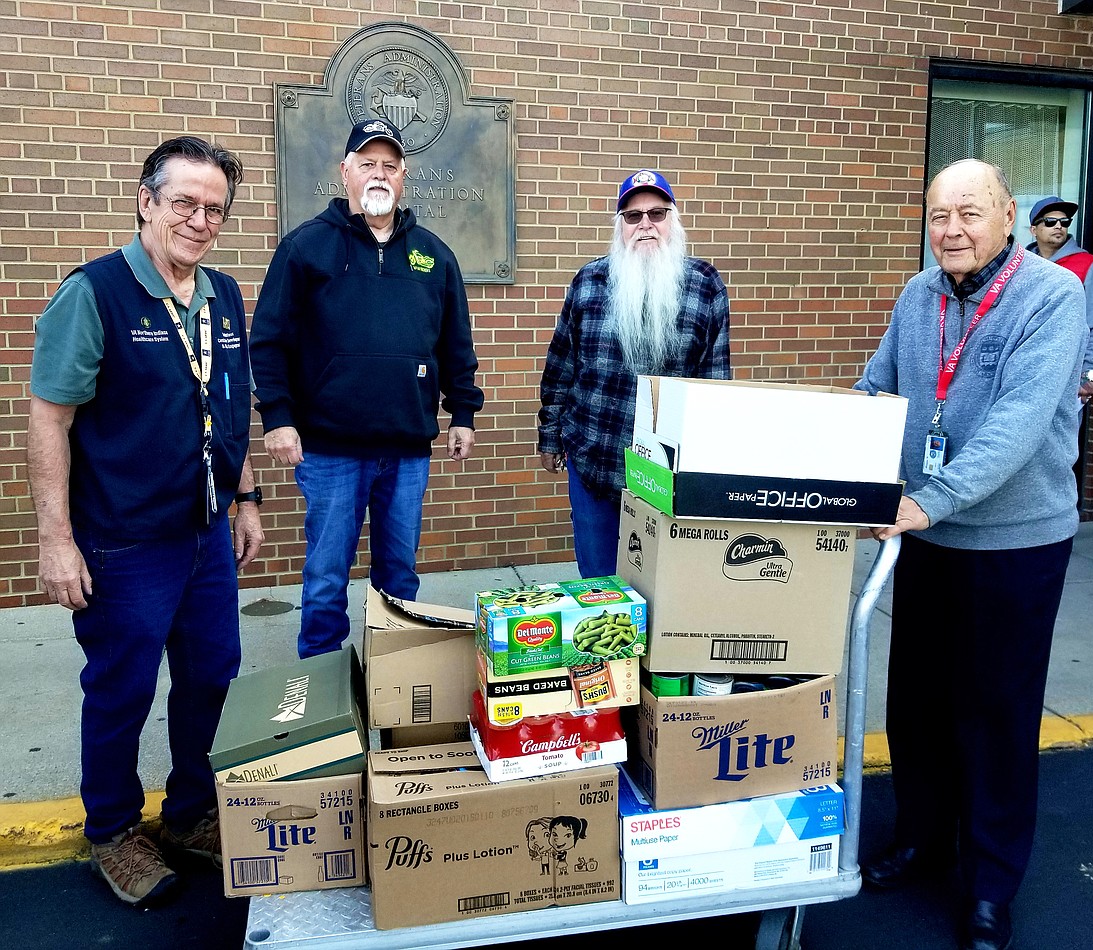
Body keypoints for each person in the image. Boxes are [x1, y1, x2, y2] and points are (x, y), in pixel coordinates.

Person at [855, 159, 1087, 950]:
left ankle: (991, 882)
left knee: (993, 713)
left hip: (1012, 542)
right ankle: (922, 840)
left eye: (969, 213)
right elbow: (876, 390)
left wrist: (928, 500)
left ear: (1008, 216)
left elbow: (1018, 426)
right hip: (927, 536)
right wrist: (837, 473)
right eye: (937, 215)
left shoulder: (1053, 295)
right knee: (916, 701)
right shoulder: (918, 294)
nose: (951, 230)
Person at [27, 136, 264, 906]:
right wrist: (56, 541)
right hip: (122, 542)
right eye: (184, 203)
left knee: (209, 679)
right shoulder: (93, 294)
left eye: (213, 209)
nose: (198, 220)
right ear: (146, 200)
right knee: (122, 689)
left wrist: (245, 496)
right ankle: (114, 832)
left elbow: (230, 403)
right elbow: (49, 418)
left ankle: (190, 815)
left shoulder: (223, 294)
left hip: (203, 535)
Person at [249, 117, 483, 659]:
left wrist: (463, 414)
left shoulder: (434, 256)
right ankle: (323, 699)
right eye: (367, 163)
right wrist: (278, 417)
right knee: (327, 580)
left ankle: (396, 687)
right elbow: (269, 341)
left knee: (400, 579)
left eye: (390, 165)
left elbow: (455, 345)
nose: (379, 173)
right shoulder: (305, 248)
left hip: (406, 451)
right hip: (330, 452)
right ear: (346, 172)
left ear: (404, 176)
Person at [537, 169, 731, 578]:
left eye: (657, 214)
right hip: (594, 458)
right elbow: (561, 366)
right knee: (600, 584)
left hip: (667, 475)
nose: (645, 225)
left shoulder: (705, 285)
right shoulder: (589, 281)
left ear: (673, 221)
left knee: (662, 590)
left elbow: (716, 382)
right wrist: (550, 437)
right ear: (620, 226)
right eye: (632, 216)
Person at [1026, 194, 1093, 403]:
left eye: (1064, 222)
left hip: (1068, 377)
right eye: (1050, 221)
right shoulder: (1020, 267)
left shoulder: (1087, 264)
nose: (1059, 226)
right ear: (1034, 230)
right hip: (1025, 372)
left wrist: (1087, 373)